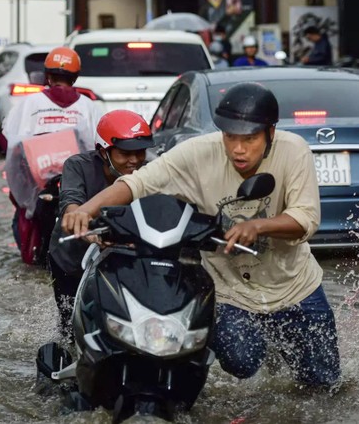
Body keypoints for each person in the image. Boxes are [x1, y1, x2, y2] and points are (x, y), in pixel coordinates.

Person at [61, 82, 341, 387]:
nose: (238, 148)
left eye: (249, 139)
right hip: (230, 293)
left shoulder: (293, 151)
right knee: (243, 362)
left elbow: (306, 218)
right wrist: (84, 211)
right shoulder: (198, 153)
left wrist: (258, 225)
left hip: (296, 287)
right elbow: (137, 183)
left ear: (270, 133)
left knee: (324, 387)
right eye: (230, 137)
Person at [48, 109, 154, 338]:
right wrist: (83, 228)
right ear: (103, 152)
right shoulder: (77, 166)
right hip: (72, 258)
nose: (134, 161)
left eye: (140, 152)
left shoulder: (153, 169)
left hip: (127, 257)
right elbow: (71, 204)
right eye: (125, 154)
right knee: (71, 328)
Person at [2, 46, 102, 257]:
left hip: (39, 184)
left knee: (23, 215)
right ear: (75, 77)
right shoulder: (89, 106)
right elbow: (99, 145)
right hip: (77, 183)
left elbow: (10, 140)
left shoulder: (29, 103)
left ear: (47, 76)